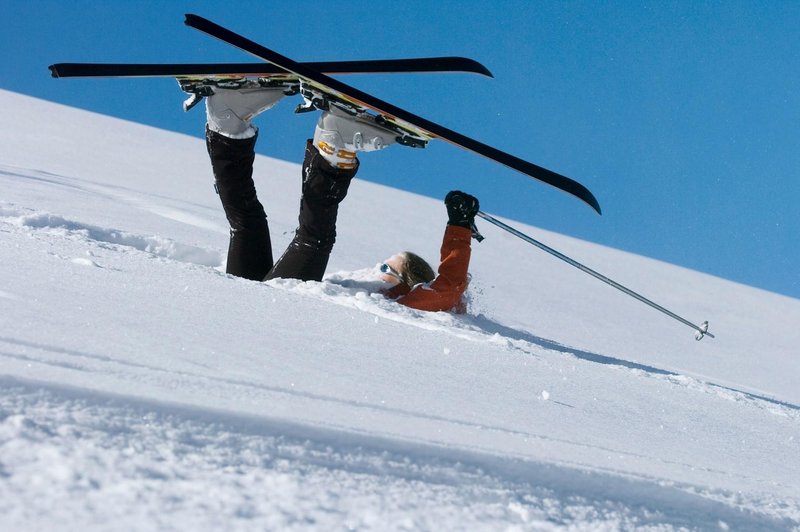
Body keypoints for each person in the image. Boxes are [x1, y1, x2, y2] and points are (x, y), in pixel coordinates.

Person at [202, 84, 480, 313]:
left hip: (265, 317)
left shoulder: (402, 307)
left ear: (408, 284)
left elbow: (446, 290)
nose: (376, 271)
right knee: (253, 225)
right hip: (255, 317)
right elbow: (450, 287)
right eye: (384, 266)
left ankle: (331, 144)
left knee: (302, 236)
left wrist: (460, 226)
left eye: (386, 267)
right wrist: (461, 226)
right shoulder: (362, 296)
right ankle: (228, 120)